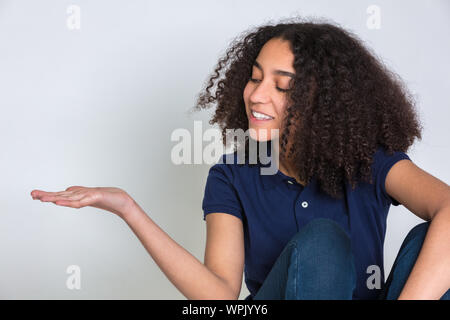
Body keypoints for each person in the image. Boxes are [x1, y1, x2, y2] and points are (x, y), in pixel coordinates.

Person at [31, 17, 450, 300]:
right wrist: (128, 209)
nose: (256, 94)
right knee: (324, 241)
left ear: (325, 103)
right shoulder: (232, 175)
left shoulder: (368, 162)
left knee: (431, 239)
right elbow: (219, 292)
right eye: (254, 78)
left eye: (282, 86)